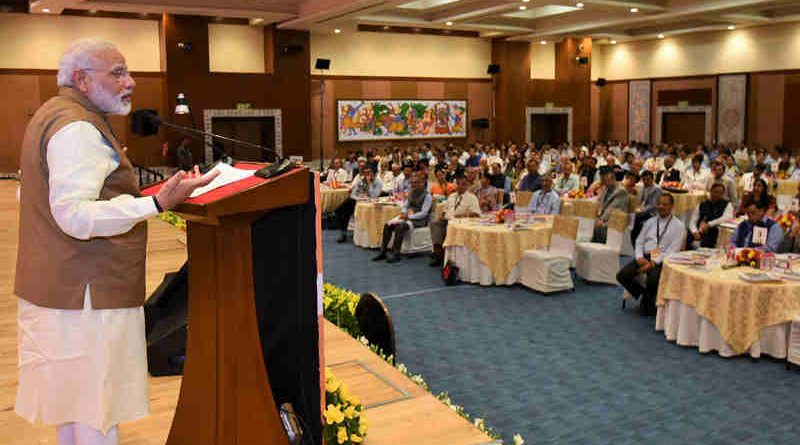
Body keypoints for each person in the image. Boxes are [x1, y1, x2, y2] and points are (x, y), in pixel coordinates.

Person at [14, 39, 219, 445]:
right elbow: (73, 215)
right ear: (82, 79)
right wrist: (158, 202)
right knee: (97, 408)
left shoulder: (53, 114)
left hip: (61, 288)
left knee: (74, 407)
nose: (131, 82)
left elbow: (31, 194)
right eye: (118, 72)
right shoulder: (78, 129)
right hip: (89, 295)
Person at [617, 194, 686, 316]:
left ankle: (647, 301)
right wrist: (639, 257)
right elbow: (639, 241)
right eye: (659, 204)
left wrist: (653, 263)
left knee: (653, 279)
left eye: (665, 204)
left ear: (672, 206)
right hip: (645, 256)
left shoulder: (678, 226)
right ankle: (644, 294)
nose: (661, 207)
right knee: (622, 276)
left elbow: (672, 250)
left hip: (663, 259)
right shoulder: (650, 222)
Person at [373, 174, 432, 263]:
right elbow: (405, 205)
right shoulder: (411, 192)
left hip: (419, 220)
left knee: (400, 227)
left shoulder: (427, 196)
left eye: (416, 182)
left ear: (422, 183)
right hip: (407, 216)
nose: (413, 184)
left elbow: (424, 213)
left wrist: (409, 216)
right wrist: (404, 212)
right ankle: (383, 252)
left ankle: (396, 254)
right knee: (388, 225)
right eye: (412, 183)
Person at [429, 174, 481, 266]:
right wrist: (442, 215)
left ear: (467, 185)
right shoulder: (452, 196)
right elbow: (445, 211)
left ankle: (442, 256)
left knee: (446, 226)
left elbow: (476, 213)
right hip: (447, 221)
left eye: (463, 184)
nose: (460, 186)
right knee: (435, 223)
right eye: (458, 184)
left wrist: (463, 215)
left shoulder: (472, 198)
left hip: (461, 222)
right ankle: (438, 254)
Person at [336, 166, 382, 243]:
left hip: (370, 203)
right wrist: (358, 198)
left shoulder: (378, 182)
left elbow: (374, 195)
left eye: (369, 173)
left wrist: (370, 183)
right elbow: (353, 194)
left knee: (344, 209)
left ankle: (342, 229)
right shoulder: (361, 181)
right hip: (359, 201)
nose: (366, 175)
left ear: (373, 173)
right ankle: (342, 232)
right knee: (348, 204)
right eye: (365, 173)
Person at [688, 183, 734, 248]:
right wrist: (694, 231)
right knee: (688, 236)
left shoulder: (727, 205)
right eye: (715, 192)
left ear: (723, 194)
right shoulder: (702, 204)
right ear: (710, 192)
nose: (717, 195)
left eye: (720, 193)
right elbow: (693, 220)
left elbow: (727, 217)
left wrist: (709, 224)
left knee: (708, 240)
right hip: (698, 232)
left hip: (713, 232)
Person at [592, 167, 630, 243]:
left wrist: (600, 219)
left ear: (613, 178)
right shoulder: (607, 188)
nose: (603, 183)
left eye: (605, 181)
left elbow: (612, 209)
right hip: (604, 217)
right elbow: (598, 202)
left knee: (594, 225)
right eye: (602, 180)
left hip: (615, 220)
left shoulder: (620, 191)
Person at [630, 170, 662, 245]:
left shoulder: (657, 189)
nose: (646, 181)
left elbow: (653, 205)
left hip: (652, 213)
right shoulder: (642, 187)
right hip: (642, 209)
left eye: (648, 179)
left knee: (635, 217)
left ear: (652, 179)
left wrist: (641, 210)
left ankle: (634, 241)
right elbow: (640, 201)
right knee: (631, 214)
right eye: (644, 180)